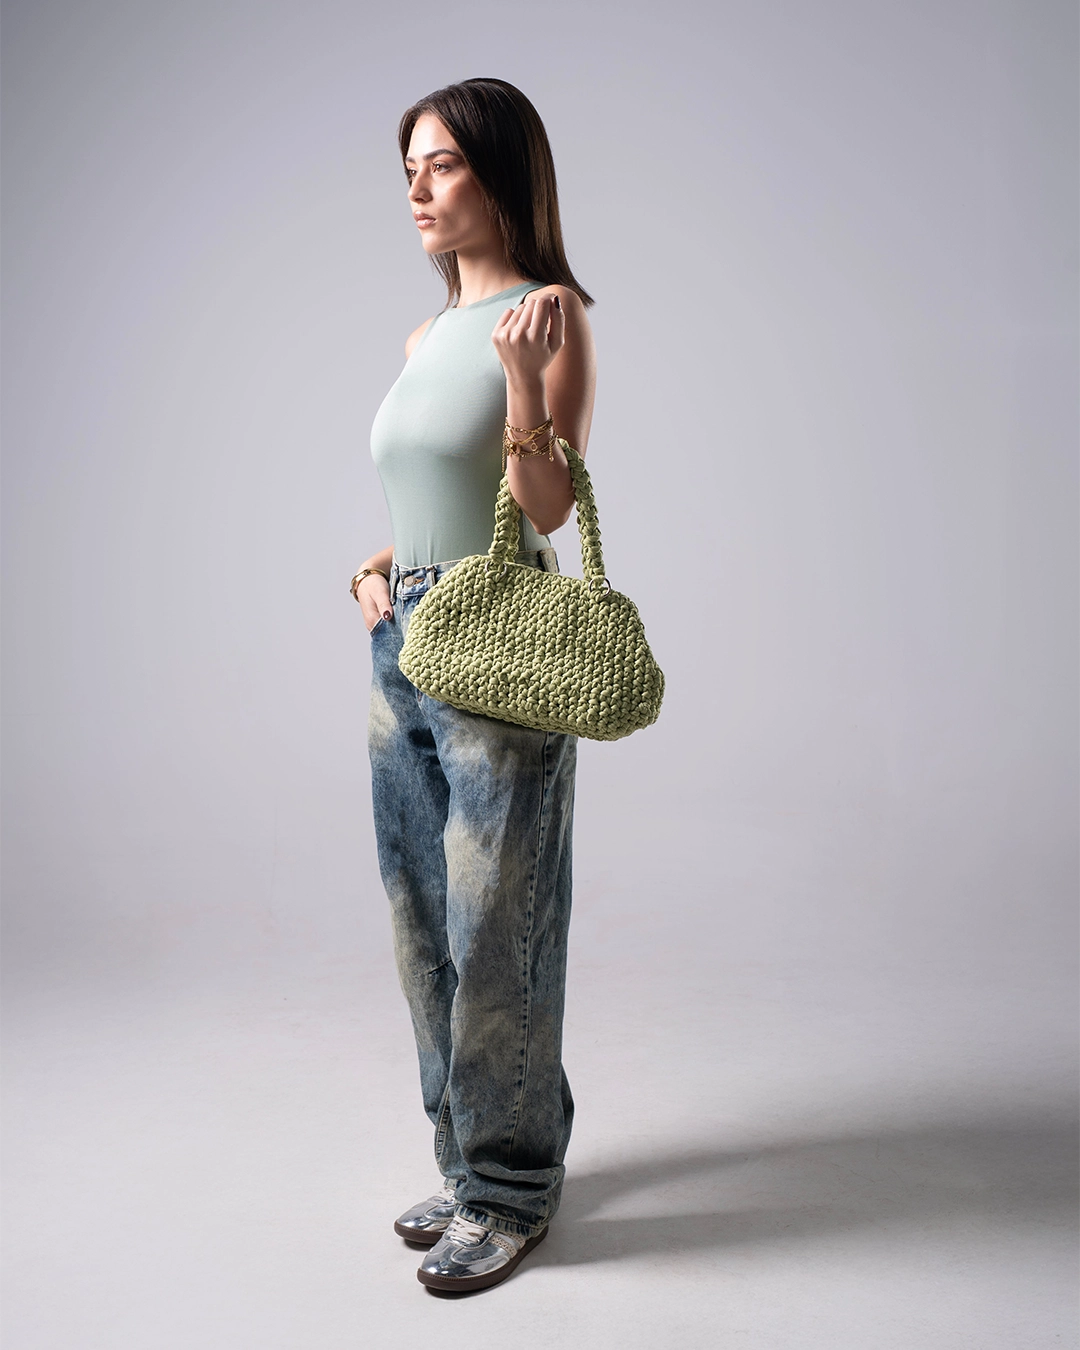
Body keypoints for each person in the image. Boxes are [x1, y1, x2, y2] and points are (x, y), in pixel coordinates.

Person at [350, 78, 597, 1293]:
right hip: (403, 647)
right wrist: (379, 562)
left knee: (499, 920)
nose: (417, 187)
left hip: (501, 643)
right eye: (409, 166)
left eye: (440, 164)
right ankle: (470, 1158)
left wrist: (516, 385)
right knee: (421, 921)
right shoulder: (418, 336)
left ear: (498, 175)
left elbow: (545, 507)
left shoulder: (550, 315)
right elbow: (429, 498)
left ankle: (510, 1190)